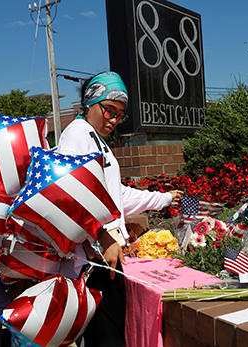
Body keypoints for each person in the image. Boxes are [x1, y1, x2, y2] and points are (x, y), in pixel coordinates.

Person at [57, 71, 183, 347]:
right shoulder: (78, 134)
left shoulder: (96, 140)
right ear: (90, 102)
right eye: (109, 110)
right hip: (93, 261)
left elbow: (116, 195)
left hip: (106, 258)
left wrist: (161, 199)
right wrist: (101, 234)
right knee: (107, 338)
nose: (114, 119)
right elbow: (69, 194)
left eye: (120, 114)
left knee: (112, 334)